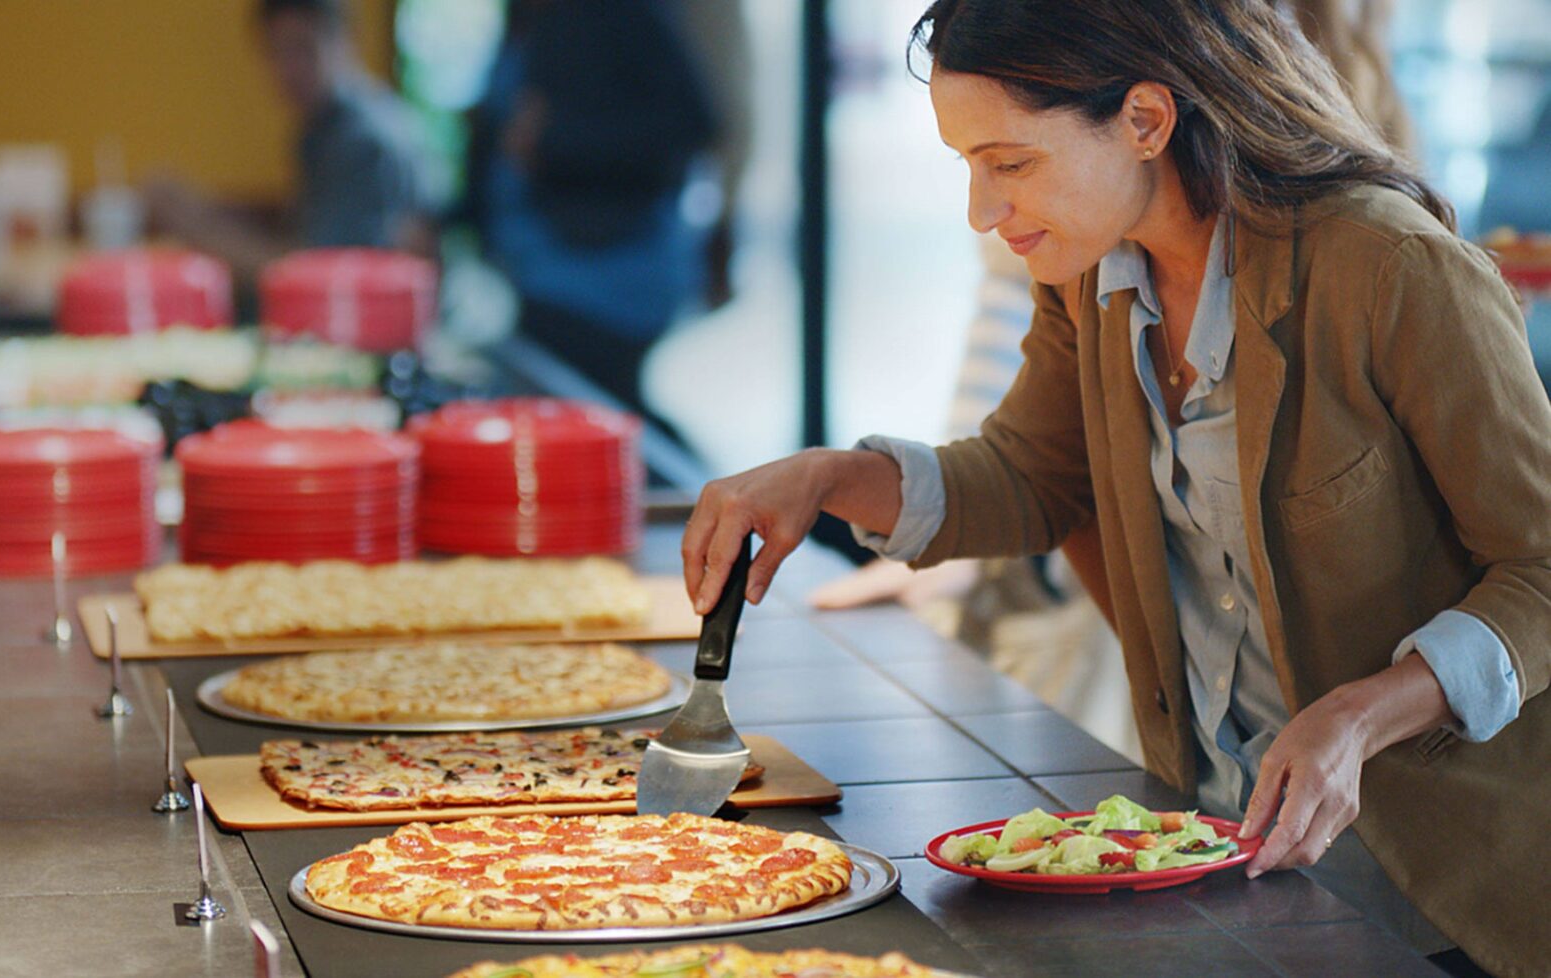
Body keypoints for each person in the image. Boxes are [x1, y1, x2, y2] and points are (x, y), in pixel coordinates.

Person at [680, 2, 1551, 975]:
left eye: (1009, 163)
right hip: (1224, 860)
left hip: (1446, 896)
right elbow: (1029, 476)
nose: (982, 209)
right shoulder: (1088, 276)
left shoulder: (1387, 265)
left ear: (1144, 120)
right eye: (967, 165)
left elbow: (1542, 570)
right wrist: (830, 475)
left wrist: (1361, 712)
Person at [461, 0, 719, 443]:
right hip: (542, 267)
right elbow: (497, 146)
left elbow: (690, 124)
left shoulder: (623, 13)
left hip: (605, 274)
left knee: (583, 423)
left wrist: (554, 144)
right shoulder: (528, 20)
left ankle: (704, 494)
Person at [146, 0, 437, 279]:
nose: (288, 69)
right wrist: (205, 211)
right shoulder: (325, 127)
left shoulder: (361, 141)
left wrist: (194, 227)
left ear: (343, 40)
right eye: (276, 53)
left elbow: (312, 275)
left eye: (303, 48)